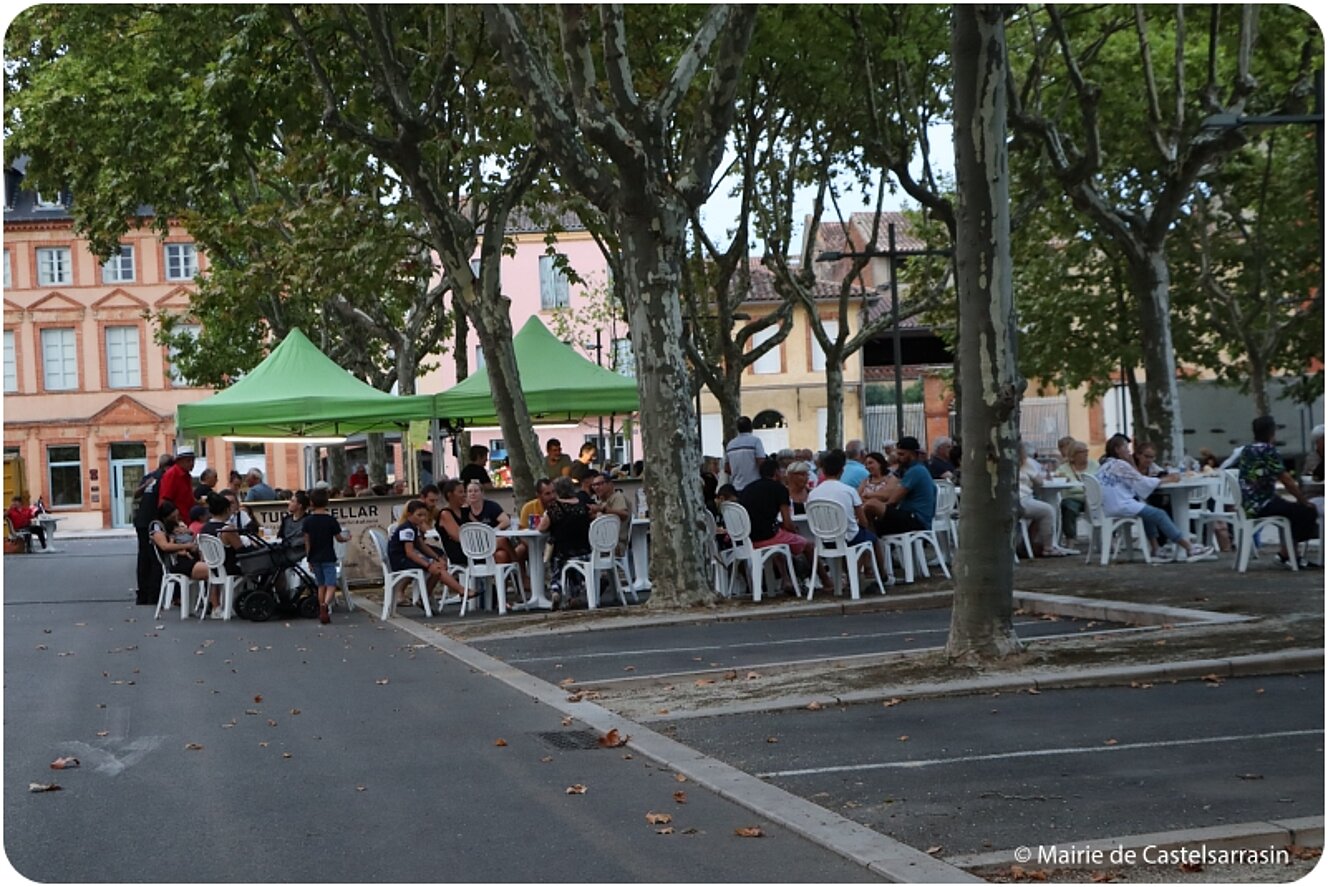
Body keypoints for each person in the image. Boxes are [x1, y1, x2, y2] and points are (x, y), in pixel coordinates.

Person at [1097, 433, 1216, 563]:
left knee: (1147, 510)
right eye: (1126, 447)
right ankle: (1189, 547)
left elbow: (1137, 482)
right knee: (1159, 514)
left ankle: (1156, 548)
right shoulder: (1120, 465)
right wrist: (1165, 479)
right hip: (1120, 504)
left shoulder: (1105, 465)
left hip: (1110, 505)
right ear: (1117, 449)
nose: (1128, 451)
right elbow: (1141, 483)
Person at [1235, 415, 1319, 569]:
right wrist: (1303, 500)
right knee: (1305, 511)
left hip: (1248, 503)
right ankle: (1288, 554)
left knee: (1290, 510)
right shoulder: (1268, 450)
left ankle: (1288, 553)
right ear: (1272, 432)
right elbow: (1286, 480)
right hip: (1263, 502)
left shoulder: (1247, 450)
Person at [738, 457, 808, 586]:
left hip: (749, 539)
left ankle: (786, 579)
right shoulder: (779, 489)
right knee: (809, 545)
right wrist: (795, 530)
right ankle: (825, 580)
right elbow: (788, 523)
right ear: (776, 473)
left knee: (779, 541)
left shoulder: (747, 489)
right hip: (767, 537)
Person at [388, 498, 468, 606]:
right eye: (419, 515)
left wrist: (436, 557)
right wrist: (428, 564)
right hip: (401, 561)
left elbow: (422, 546)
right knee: (436, 569)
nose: (423, 518)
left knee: (437, 566)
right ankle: (461, 590)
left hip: (406, 559)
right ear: (409, 514)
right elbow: (410, 552)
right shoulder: (406, 529)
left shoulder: (414, 528)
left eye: (424, 515)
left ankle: (427, 595)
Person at [540, 476, 592, 609]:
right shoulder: (582, 505)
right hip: (585, 551)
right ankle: (574, 596)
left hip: (562, 553)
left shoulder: (554, 508)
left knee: (552, 561)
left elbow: (542, 528)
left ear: (557, 491)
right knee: (573, 565)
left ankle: (556, 591)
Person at [870, 437, 936, 539]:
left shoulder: (915, 471)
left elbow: (893, 501)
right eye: (897, 454)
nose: (898, 458)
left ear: (913, 455)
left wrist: (877, 506)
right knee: (871, 518)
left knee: (872, 506)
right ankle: (875, 546)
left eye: (902, 454)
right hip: (915, 518)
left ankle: (872, 547)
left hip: (916, 521)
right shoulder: (916, 469)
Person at [302, 487, 350, 624]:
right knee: (331, 584)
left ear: (311, 503)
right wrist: (347, 539)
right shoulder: (331, 520)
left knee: (320, 585)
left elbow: (307, 541)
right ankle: (325, 605)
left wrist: (309, 558)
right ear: (327, 502)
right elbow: (339, 538)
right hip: (328, 556)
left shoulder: (307, 521)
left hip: (315, 557)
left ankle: (321, 604)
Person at [148, 500, 209, 603]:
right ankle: (210, 602)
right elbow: (165, 546)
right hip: (176, 562)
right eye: (173, 517)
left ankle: (203, 600)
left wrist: (187, 532)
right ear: (166, 516)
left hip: (189, 556)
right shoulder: (157, 526)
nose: (176, 519)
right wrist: (186, 546)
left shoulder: (176, 526)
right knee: (212, 571)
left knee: (213, 568)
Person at [132, 453, 174, 603]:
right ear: (168, 467)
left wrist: (145, 485)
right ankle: (153, 595)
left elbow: (136, 494)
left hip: (141, 521)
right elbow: (164, 502)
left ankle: (142, 594)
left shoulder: (150, 477)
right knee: (156, 559)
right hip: (154, 521)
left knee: (143, 558)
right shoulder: (165, 478)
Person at [1018, 441, 1071, 557]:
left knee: (1039, 512)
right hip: (1022, 499)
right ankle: (1048, 547)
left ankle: (1029, 545)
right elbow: (1040, 482)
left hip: (1011, 501)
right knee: (1047, 510)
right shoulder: (1026, 463)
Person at [199, 493, 247, 617]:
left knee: (217, 573)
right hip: (230, 567)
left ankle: (216, 607)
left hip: (212, 566)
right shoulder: (227, 529)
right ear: (227, 510)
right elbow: (241, 550)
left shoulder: (204, 529)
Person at [1054, 439, 1096, 547]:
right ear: (1073, 455)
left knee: (1108, 505)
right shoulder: (1063, 468)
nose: (1085, 454)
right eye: (1082, 452)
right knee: (1067, 506)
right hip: (1074, 497)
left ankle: (1110, 539)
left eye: (1086, 451)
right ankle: (1070, 539)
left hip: (1093, 498)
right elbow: (1058, 480)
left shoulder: (1094, 465)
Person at [590, 471, 632, 555]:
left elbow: (624, 514)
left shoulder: (617, 496)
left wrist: (603, 510)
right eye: (594, 485)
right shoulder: (602, 501)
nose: (596, 488)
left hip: (614, 545)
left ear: (610, 484)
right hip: (603, 543)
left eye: (600, 484)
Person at [723, 416, 765, 492]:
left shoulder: (730, 444)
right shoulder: (755, 441)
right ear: (751, 427)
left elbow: (727, 468)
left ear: (737, 429)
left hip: (736, 487)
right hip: (754, 486)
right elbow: (761, 462)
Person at [158, 446, 198, 520]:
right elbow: (165, 501)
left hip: (187, 517)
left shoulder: (187, 475)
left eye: (193, 460)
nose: (192, 464)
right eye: (188, 461)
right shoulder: (172, 474)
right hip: (178, 520)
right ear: (179, 461)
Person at [858, 452, 895, 524]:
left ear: (880, 463)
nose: (868, 466)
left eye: (870, 463)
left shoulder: (890, 478)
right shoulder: (866, 480)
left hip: (882, 513)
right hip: (865, 512)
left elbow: (887, 495)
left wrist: (868, 496)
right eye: (866, 464)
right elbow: (858, 496)